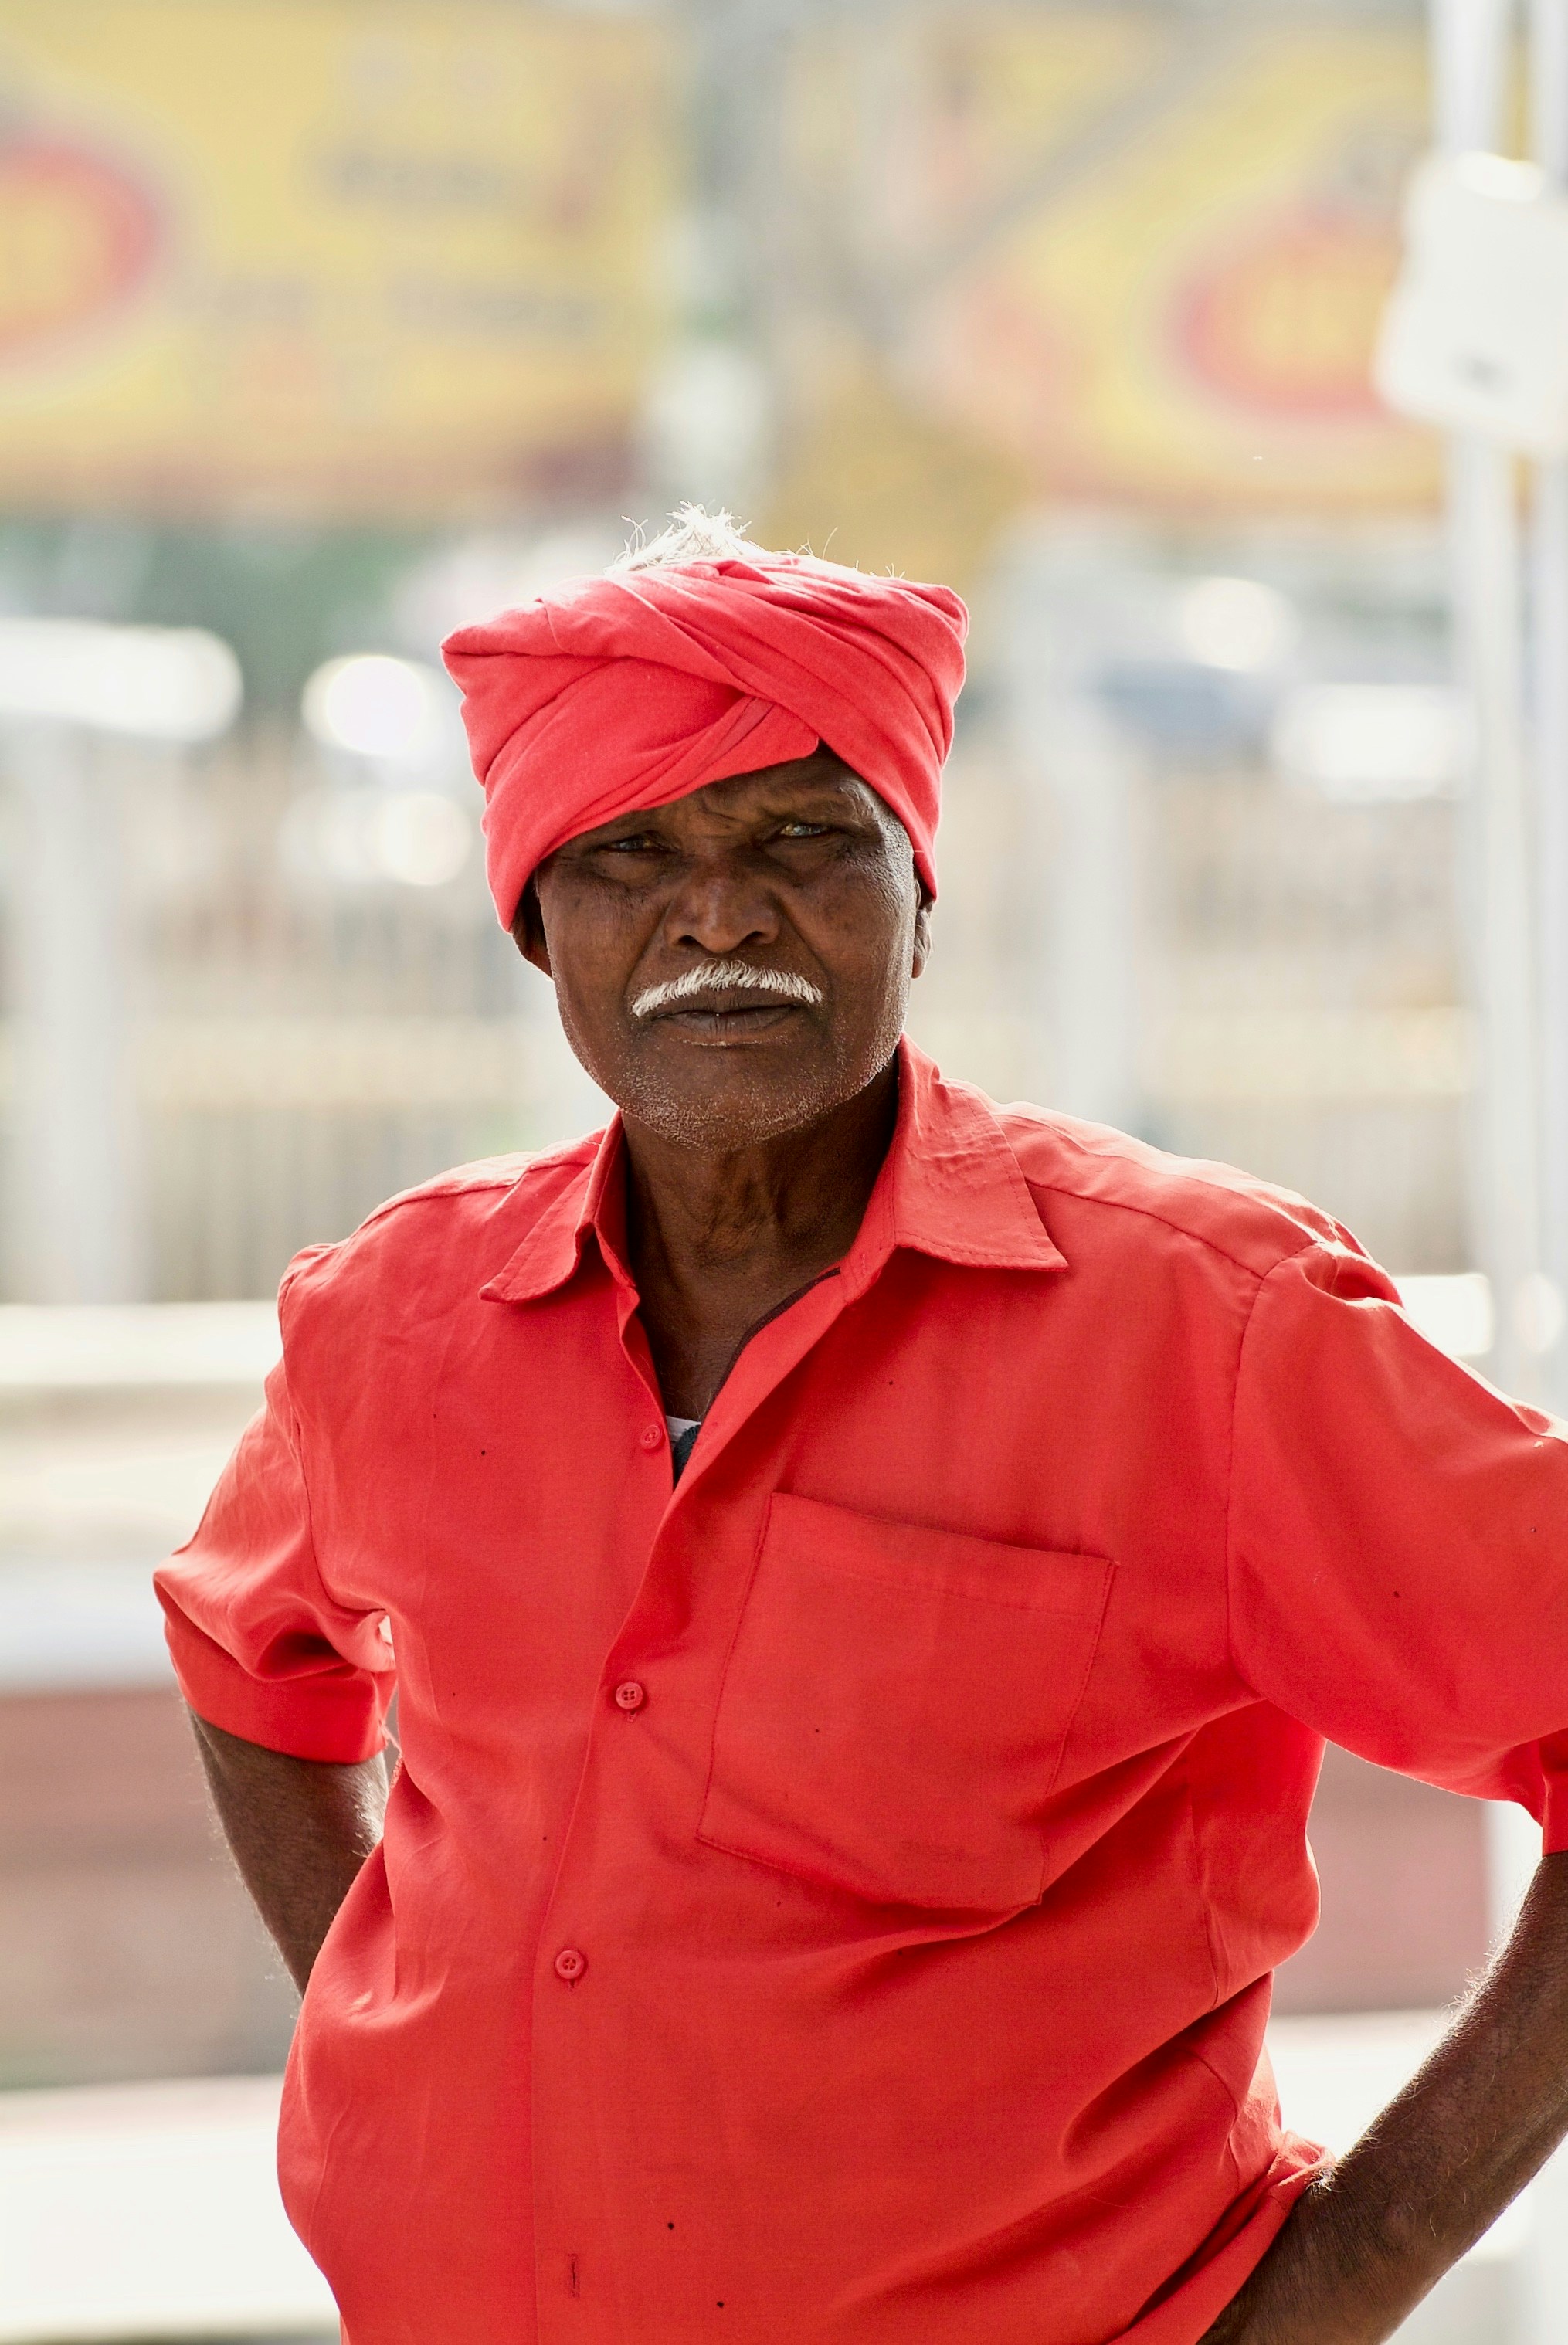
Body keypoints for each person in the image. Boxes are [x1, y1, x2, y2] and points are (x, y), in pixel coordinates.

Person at [158, 508, 1568, 2345]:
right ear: (535, 922)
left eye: (802, 839)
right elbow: (245, 1653)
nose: (720, 907)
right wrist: (394, 2031)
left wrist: (1338, 2284)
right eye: (630, 850)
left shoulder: (1203, 1326)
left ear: (919, 890)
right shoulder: (389, 1319)